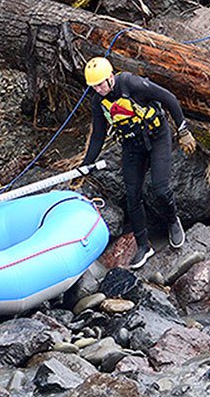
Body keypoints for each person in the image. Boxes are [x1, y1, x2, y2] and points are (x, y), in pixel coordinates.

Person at [80, 56, 196, 270]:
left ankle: (172, 221)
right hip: (132, 146)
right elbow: (98, 135)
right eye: (93, 86)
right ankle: (144, 245)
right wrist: (86, 166)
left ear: (110, 78)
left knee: (160, 188)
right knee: (132, 195)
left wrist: (183, 130)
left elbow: (168, 98)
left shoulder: (132, 84)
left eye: (100, 84)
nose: (98, 89)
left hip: (157, 137)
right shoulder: (98, 102)